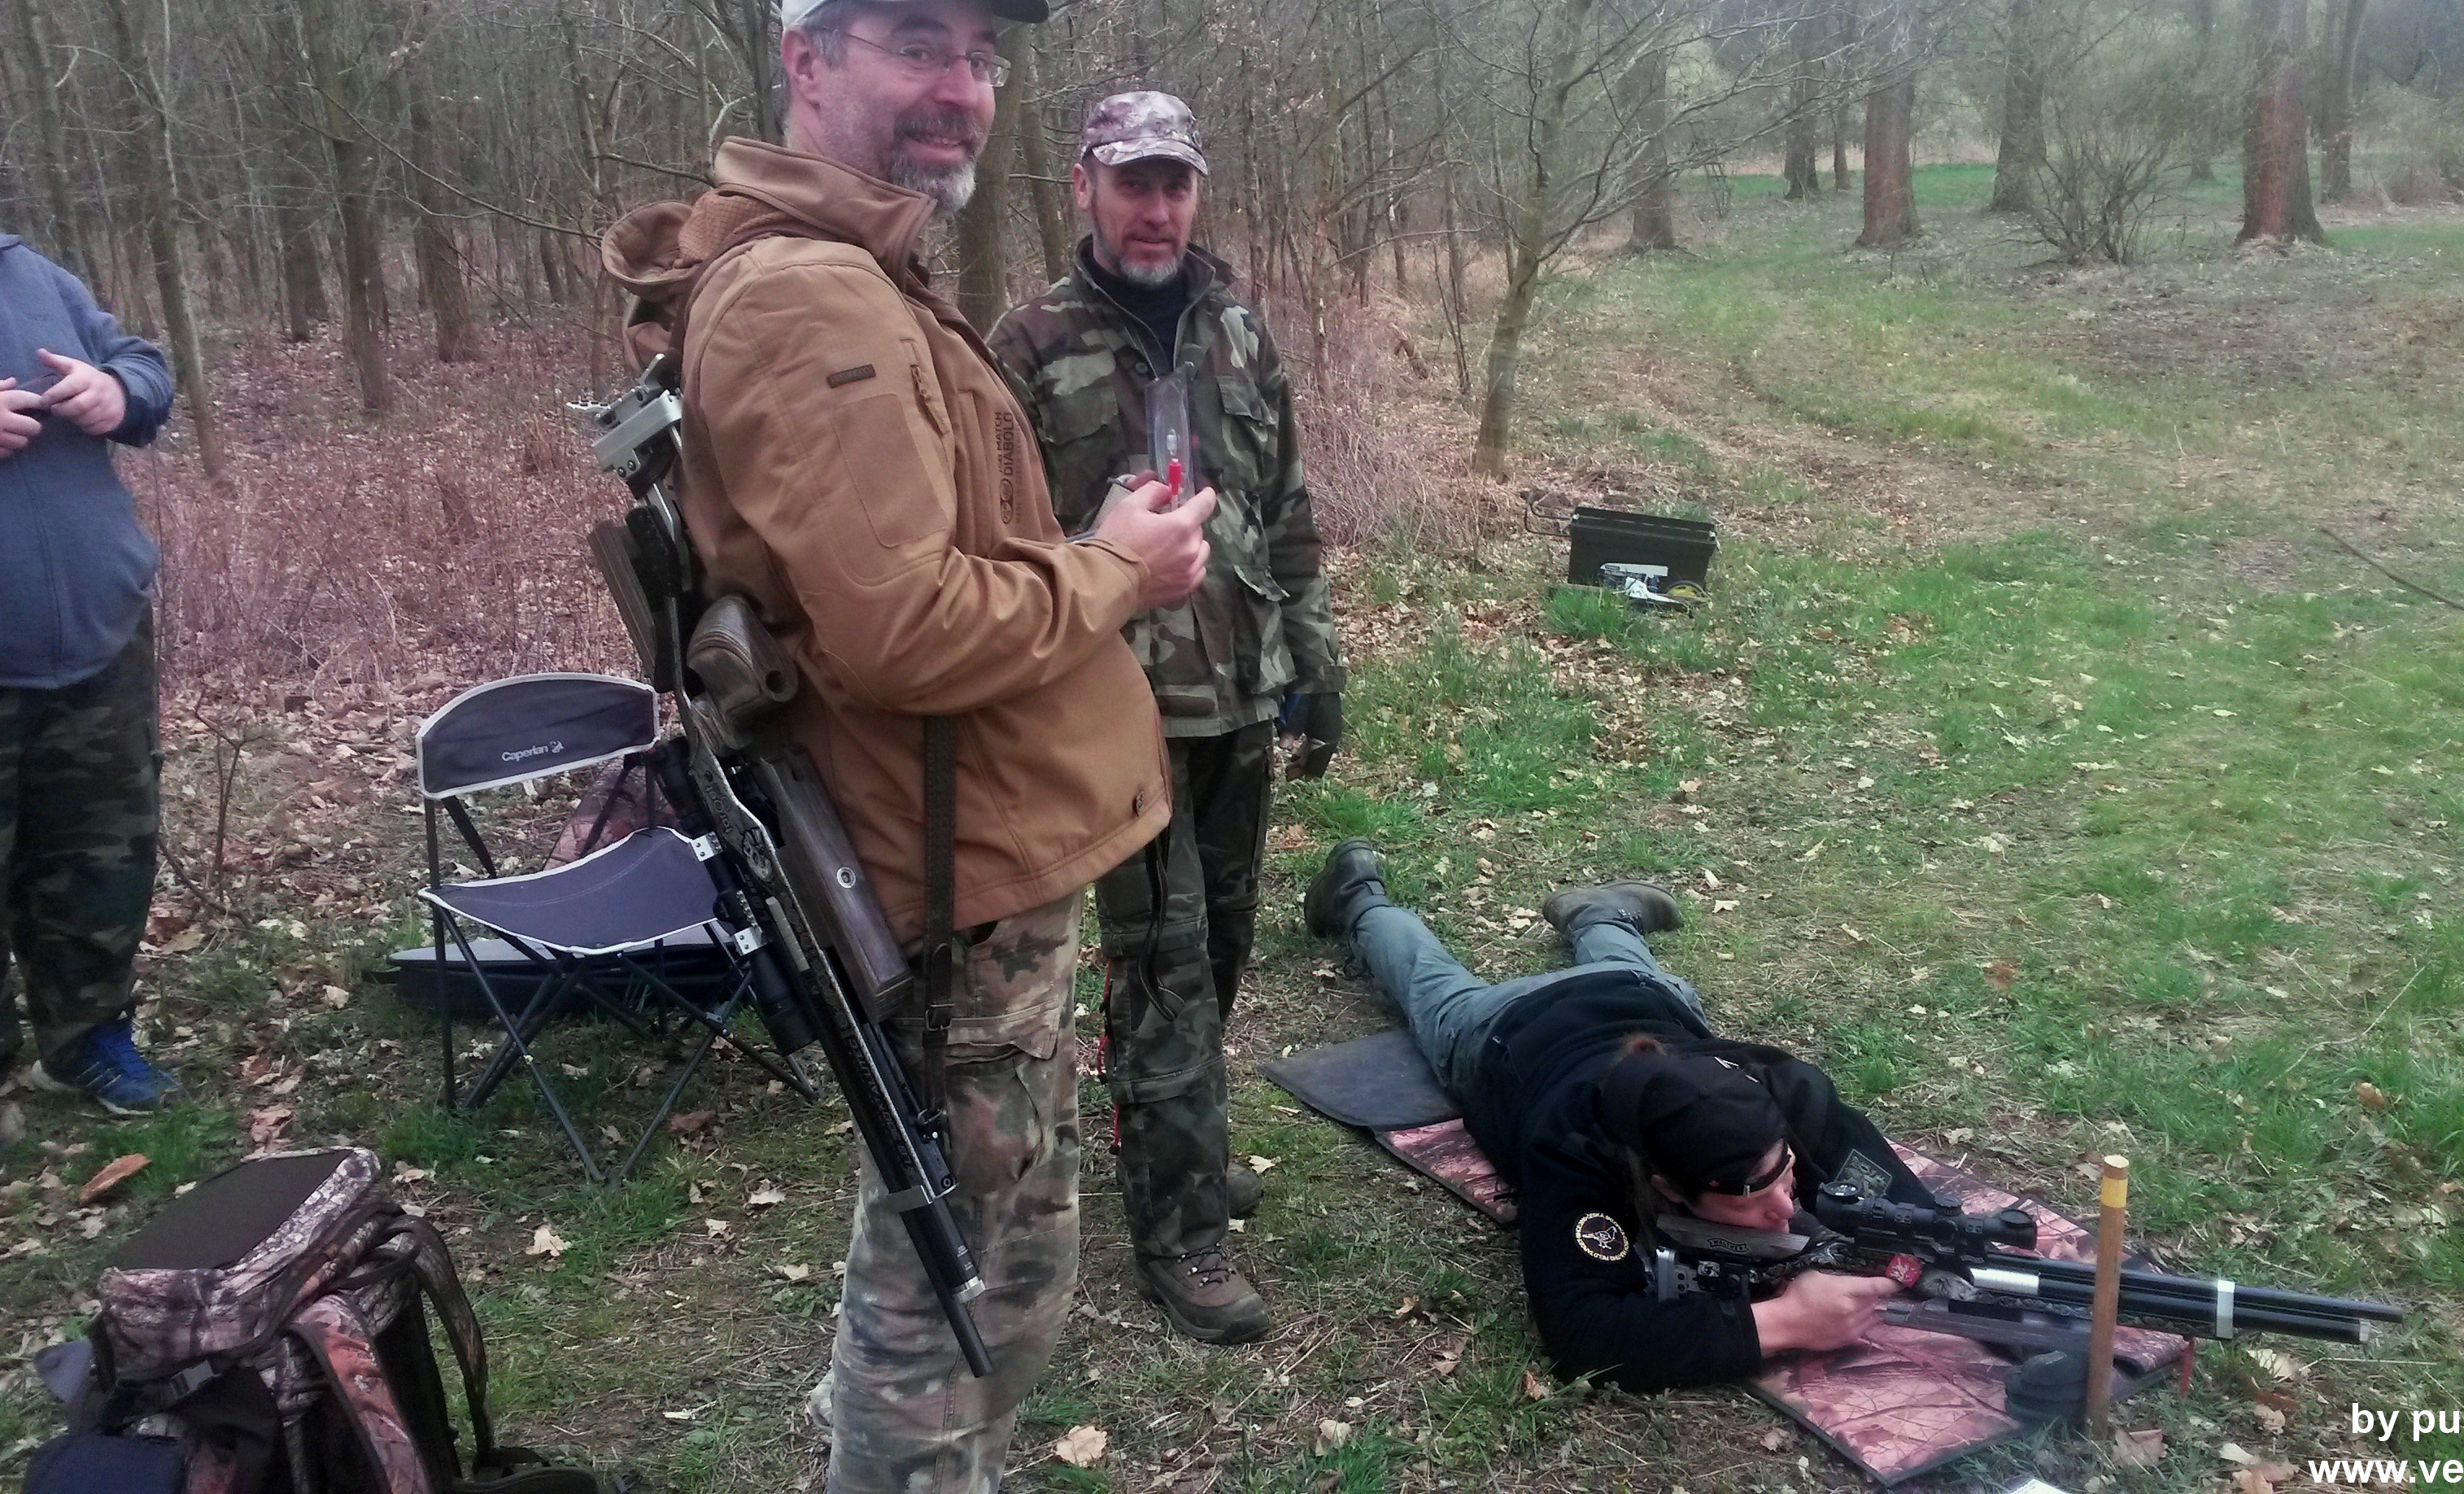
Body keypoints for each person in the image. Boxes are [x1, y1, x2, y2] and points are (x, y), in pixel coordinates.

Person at [600, 2, 1216, 1485]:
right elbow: (908, 630)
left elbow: (909, 582)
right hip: (944, 877)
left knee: (998, 1264)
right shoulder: (809, 300)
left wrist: (1081, 558)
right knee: (945, 1299)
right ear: (806, 59)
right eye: (917, 41)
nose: (961, 87)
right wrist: (1115, 571)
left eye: (980, 56)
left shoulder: (857, 268)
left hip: (979, 845)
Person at [987, 91, 1345, 1344]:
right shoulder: (1027, 346)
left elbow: (1285, 501)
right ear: (1084, 186)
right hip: (1111, 715)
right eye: (1132, 182)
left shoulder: (1238, 328)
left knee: (1224, 946)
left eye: (1174, 184)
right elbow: (998, 548)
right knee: (1166, 971)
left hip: (1238, 699)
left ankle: (1177, 1143)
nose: (1156, 209)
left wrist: (1316, 655)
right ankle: (1181, 1230)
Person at [1302, 840, 1939, 1392]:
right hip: (1503, 1026)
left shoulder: (1784, 1090)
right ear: (1667, 1187)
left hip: (1637, 996)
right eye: (1751, 1194)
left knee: (1635, 972)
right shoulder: (1575, 1147)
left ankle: (1600, 914)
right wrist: (1783, 1322)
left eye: (1786, 1171)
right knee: (1430, 984)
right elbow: (1581, 1331)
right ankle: (1358, 897)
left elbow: (1913, 1209)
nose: (1786, 1205)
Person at [0, 229, 180, 1129]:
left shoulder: (29, 273)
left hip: (98, 636)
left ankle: (84, 1039)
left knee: (100, 855)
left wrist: (119, 390)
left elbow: (142, 363)